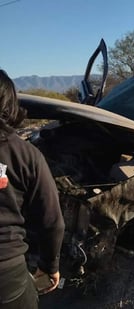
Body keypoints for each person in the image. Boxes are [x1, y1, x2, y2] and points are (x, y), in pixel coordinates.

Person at [0, 69, 65, 308]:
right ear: (9, 104)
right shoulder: (26, 155)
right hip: (6, 275)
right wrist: (49, 266)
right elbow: (52, 222)